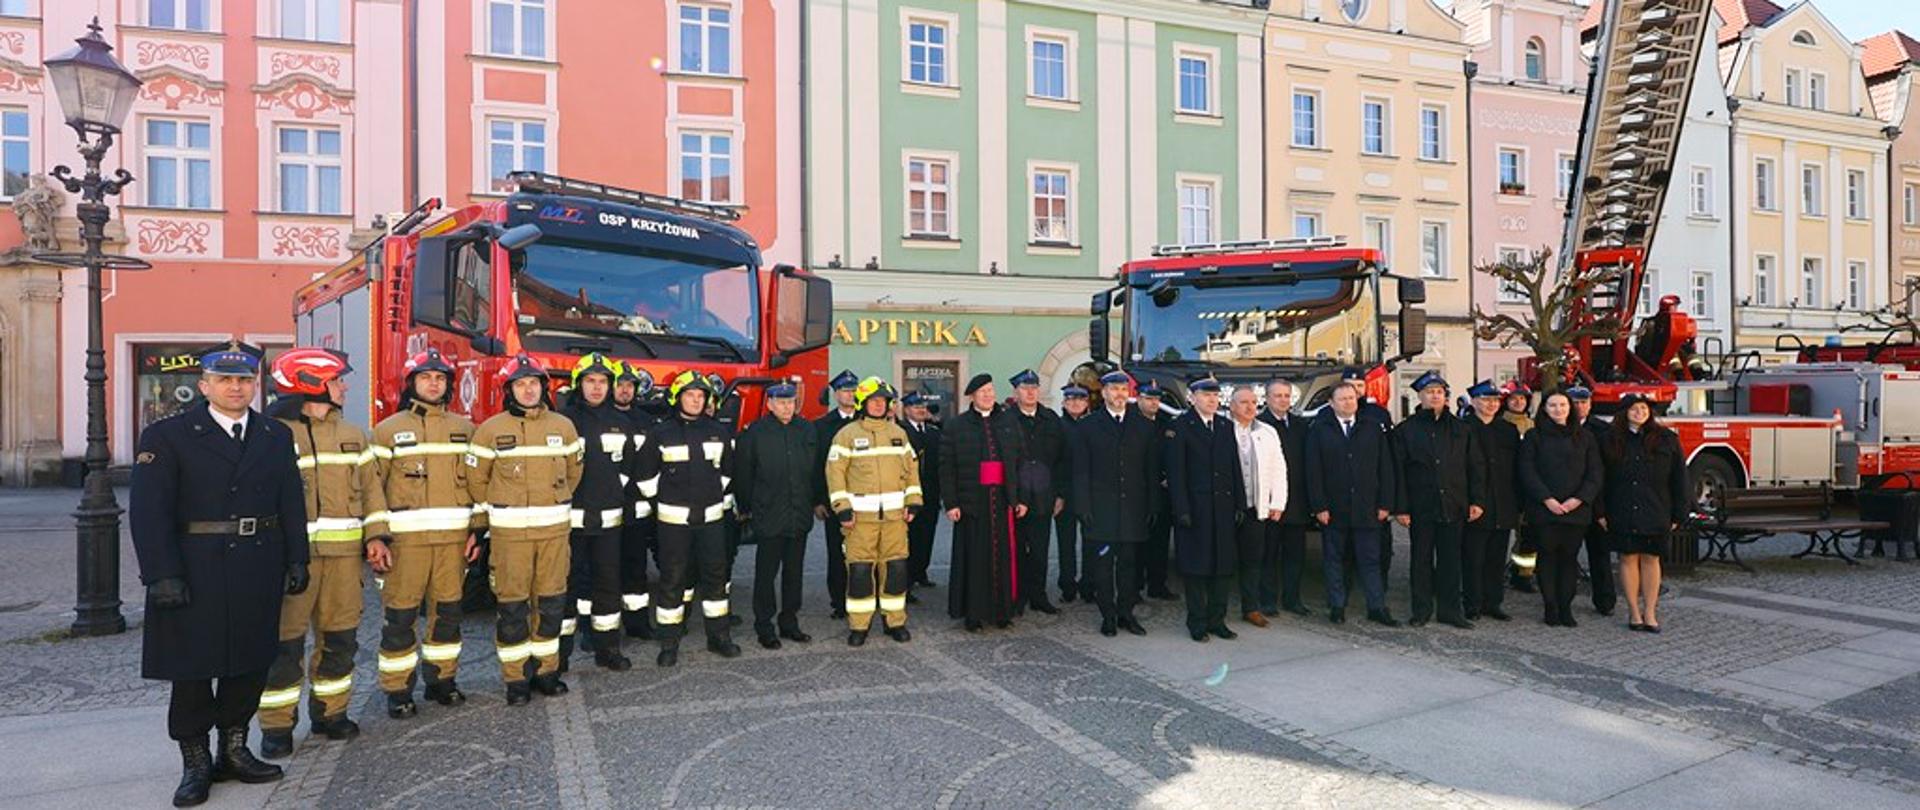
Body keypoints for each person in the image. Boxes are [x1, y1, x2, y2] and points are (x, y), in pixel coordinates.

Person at [131, 341, 300, 806]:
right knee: (193, 668)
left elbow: (290, 500)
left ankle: (234, 750)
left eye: (244, 380)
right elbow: (148, 512)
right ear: (204, 386)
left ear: (255, 385)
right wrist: (160, 574)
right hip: (194, 566)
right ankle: (196, 761)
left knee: (248, 662)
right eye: (225, 380)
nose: (236, 387)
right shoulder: (168, 435)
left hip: (257, 562)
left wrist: (297, 558)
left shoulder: (273, 434)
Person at [259, 348, 381, 759]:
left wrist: (378, 537)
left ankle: (331, 712)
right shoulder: (271, 433)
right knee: (284, 645)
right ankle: (277, 726)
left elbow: (372, 492)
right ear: (310, 384)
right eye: (337, 380)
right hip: (290, 561)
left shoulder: (353, 435)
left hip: (344, 559)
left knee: (340, 639)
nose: (344, 386)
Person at [367, 348, 482, 720]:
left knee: (448, 617)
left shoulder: (465, 431)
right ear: (412, 383)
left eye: (440, 378)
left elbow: (479, 486)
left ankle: (442, 682)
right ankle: (398, 691)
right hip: (406, 547)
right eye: (425, 377)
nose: (433, 383)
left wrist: (476, 533)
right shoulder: (386, 432)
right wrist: (377, 537)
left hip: (452, 545)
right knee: (400, 621)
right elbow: (372, 490)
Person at [467, 353, 583, 703]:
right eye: (521, 384)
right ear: (509, 390)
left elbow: (574, 473)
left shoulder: (563, 427)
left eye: (534, 383)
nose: (529, 390)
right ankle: (516, 680)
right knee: (513, 608)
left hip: (553, 535)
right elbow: (476, 481)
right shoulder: (490, 430)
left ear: (544, 388)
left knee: (550, 605)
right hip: (510, 537)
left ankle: (547, 672)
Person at [635, 371, 741, 666]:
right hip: (673, 522)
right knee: (673, 580)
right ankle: (669, 642)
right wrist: (666, 502)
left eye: (700, 396)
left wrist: (709, 495)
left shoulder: (719, 431)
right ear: (677, 398)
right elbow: (645, 477)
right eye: (689, 395)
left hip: (711, 519)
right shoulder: (660, 433)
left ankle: (719, 637)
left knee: (716, 578)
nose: (695, 401)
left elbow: (728, 473)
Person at [826, 377, 923, 645]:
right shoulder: (846, 435)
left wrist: (913, 501)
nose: (879, 405)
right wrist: (842, 509)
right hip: (860, 521)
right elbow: (835, 474)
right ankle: (859, 625)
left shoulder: (898, 434)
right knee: (859, 573)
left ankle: (895, 621)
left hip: (895, 519)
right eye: (874, 400)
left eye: (883, 401)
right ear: (863, 403)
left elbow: (912, 470)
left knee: (896, 570)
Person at [558, 353, 635, 672]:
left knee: (607, 586)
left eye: (603, 381)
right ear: (579, 384)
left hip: (608, 521)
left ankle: (607, 649)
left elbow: (628, 467)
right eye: (590, 381)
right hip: (571, 522)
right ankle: (559, 656)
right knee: (565, 587)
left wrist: (614, 492)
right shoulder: (563, 422)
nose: (596, 387)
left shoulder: (623, 423)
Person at [1390, 371, 1484, 630]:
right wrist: (1400, 507)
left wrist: (1476, 501)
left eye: (1440, 392)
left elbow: (1474, 467)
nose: (1435, 396)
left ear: (1446, 397)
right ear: (1419, 396)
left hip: (1454, 504)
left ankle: (1450, 611)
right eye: (1430, 392)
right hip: (1421, 507)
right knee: (1420, 561)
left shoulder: (1461, 429)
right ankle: (1421, 610)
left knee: (1450, 562)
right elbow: (1397, 472)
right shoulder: (1405, 430)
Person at [1069, 371, 1158, 637]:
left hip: (1133, 509)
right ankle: (1108, 615)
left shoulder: (1143, 426)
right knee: (1103, 567)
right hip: (1101, 510)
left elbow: (1150, 471)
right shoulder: (1087, 426)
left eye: (1123, 390)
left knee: (1130, 565)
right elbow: (1080, 471)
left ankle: (1126, 613)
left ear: (1129, 394)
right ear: (1104, 393)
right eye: (1113, 389)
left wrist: (1153, 505)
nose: (1119, 394)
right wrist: (1082, 506)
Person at [1305, 383, 1399, 626]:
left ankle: (1377, 607)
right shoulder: (1320, 429)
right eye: (1343, 399)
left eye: (1352, 398)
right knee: (1334, 560)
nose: (1348, 402)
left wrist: (1386, 503)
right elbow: (1313, 472)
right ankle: (1337, 606)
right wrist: (1319, 506)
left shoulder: (1372, 428)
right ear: (1332, 403)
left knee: (1370, 560)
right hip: (1333, 509)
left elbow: (1385, 468)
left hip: (1367, 507)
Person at [733, 380, 818, 649]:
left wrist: (815, 501)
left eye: (790, 402)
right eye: (780, 402)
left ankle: (789, 622)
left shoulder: (806, 429)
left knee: (794, 574)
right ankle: (764, 626)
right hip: (768, 514)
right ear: (769, 404)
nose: (786, 407)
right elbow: (743, 475)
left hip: (798, 514)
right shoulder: (755, 432)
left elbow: (814, 471)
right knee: (766, 574)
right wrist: (747, 508)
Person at [940, 374, 1028, 630]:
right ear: (972, 397)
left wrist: (1020, 498)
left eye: (990, 390)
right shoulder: (957, 425)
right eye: (982, 392)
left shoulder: (1009, 422)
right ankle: (974, 614)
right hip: (972, 503)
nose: (988, 395)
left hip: (1002, 501)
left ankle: (1003, 611)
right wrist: (951, 503)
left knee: (1003, 558)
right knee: (974, 560)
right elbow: (946, 468)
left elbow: (1021, 463)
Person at [1163, 376, 1247, 642]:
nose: (1212, 399)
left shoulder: (1224, 425)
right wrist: (1181, 509)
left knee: (1222, 567)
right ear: (1192, 397)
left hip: (1222, 507)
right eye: (1206, 395)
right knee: (1196, 568)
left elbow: (1235, 467)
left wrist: (1239, 503)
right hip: (1195, 508)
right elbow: (1176, 474)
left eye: (1215, 395)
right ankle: (1197, 622)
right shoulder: (1180, 427)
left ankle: (1217, 620)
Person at [1597, 393, 1687, 634]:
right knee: (1627, 558)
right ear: (1624, 412)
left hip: (1656, 508)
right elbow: (1600, 479)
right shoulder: (1610, 440)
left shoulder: (1666, 439)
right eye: (1634, 409)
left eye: (1644, 409)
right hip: (1621, 507)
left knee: (1651, 558)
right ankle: (1633, 611)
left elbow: (1679, 478)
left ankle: (1650, 612)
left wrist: (1680, 513)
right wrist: (1601, 511)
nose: (1640, 412)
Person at [1517, 391, 1604, 628]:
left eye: (1563, 405)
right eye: (1553, 405)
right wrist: (1547, 499)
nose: (1558, 409)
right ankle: (1550, 606)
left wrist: (1579, 499)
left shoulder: (1585, 437)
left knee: (1569, 560)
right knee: (1547, 558)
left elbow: (1595, 474)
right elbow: (1527, 471)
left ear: (1570, 408)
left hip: (1576, 510)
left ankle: (1566, 607)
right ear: (1544, 409)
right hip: (1544, 510)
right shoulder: (1534, 437)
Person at [1007, 369, 1067, 614]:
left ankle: (1039, 596)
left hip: (1044, 496)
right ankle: (1017, 597)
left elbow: (1062, 460)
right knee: (1018, 550)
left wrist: (1060, 494)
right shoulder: (1006, 420)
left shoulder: (1051, 419)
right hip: (1018, 497)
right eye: (1025, 388)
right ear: (1016, 392)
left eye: (1034, 388)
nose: (1030, 392)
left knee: (1041, 551)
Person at [1228, 387, 1287, 628]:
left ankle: (1250, 608)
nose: (1250, 407)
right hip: (1227, 508)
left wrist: (1277, 502)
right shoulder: (1221, 429)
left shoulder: (1268, 432)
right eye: (1243, 402)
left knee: (1253, 560)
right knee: (1223, 560)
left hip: (1256, 507)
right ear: (1231, 405)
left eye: (1253, 402)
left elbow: (1278, 469)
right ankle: (1217, 608)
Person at [1461, 380, 1520, 622]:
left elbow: (1517, 468)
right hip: (1476, 503)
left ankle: (1493, 602)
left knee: (1497, 557)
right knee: (1473, 557)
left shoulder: (1507, 429)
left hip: (1503, 503)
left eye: (1495, 400)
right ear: (1474, 402)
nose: (1491, 404)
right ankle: (1472, 603)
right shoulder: (1463, 428)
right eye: (1486, 400)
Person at [611, 362, 660, 640]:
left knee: (635, 569)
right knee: (601, 571)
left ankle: (637, 624)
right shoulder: (599, 418)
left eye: (630, 385)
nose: (625, 390)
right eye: (620, 384)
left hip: (638, 509)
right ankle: (597, 629)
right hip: (605, 507)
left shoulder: (646, 422)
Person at [1257, 380, 1313, 617]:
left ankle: (1292, 599)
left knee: (1295, 557)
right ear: (1267, 399)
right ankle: (1267, 600)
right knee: (1268, 555)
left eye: (1286, 396)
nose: (1282, 400)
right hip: (1269, 502)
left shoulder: (1302, 426)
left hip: (1297, 502)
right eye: (1277, 396)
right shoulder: (1258, 426)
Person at [813, 370, 860, 618]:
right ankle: (839, 602)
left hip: (866, 500)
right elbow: (817, 466)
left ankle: (862, 599)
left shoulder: (868, 421)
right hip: (835, 501)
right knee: (837, 553)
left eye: (853, 390)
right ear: (836, 394)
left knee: (864, 554)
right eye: (845, 390)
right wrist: (818, 500)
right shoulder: (822, 426)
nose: (850, 395)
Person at [1568, 385, 1618, 617]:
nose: (1579, 406)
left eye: (1583, 402)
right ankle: (1563, 599)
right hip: (1568, 502)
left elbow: (1608, 470)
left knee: (1600, 554)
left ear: (1590, 404)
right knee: (1566, 555)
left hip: (1597, 501)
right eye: (1575, 402)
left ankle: (1605, 600)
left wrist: (1603, 508)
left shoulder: (1603, 430)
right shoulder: (1557, 427)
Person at [1133, 383, 1178, 601]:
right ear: (1138, 399)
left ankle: (1157, 585)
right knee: (1138, 543)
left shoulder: (1166, 424)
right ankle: (1135, 586)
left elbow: (1173, 455)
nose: (1153, 403)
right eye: (1149, 399)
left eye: (1157, 399)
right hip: (1139, 492)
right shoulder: (1131, 423)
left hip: (1163, 494)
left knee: (1160, 542)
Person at [899, 392, 943, 595]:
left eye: (923, 406)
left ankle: (920, 572)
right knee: (910, 538)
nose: (921, 410)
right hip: (908, 496)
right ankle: (905, 580)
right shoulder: (901, 432)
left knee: (927, 535)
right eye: (916, 407)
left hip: (931, 494)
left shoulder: (934, 433)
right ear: (906, 409)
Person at [1501, 381, 1539, 593]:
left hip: (1529, 490)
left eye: (1522, 398)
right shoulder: (1498, 423)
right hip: (1506, 487)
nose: (1518, 402)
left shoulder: (1534, 426)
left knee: (1527, 535)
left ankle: (1523, 574)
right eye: (1514, 399)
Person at [1055, 384, 1091, 602]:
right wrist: (1057, 494)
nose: (1075, 403)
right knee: (1065, 544)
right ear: (1064, 403)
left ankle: (1089, 586)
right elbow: (1053, 463)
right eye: (1070, 400)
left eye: (1080, 400)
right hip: (1065, 494)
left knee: (1090, 543)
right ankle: (1067, 586)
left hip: (1089, 494)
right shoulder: (1057, 427)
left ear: (1087, 403)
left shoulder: (1094, 425)